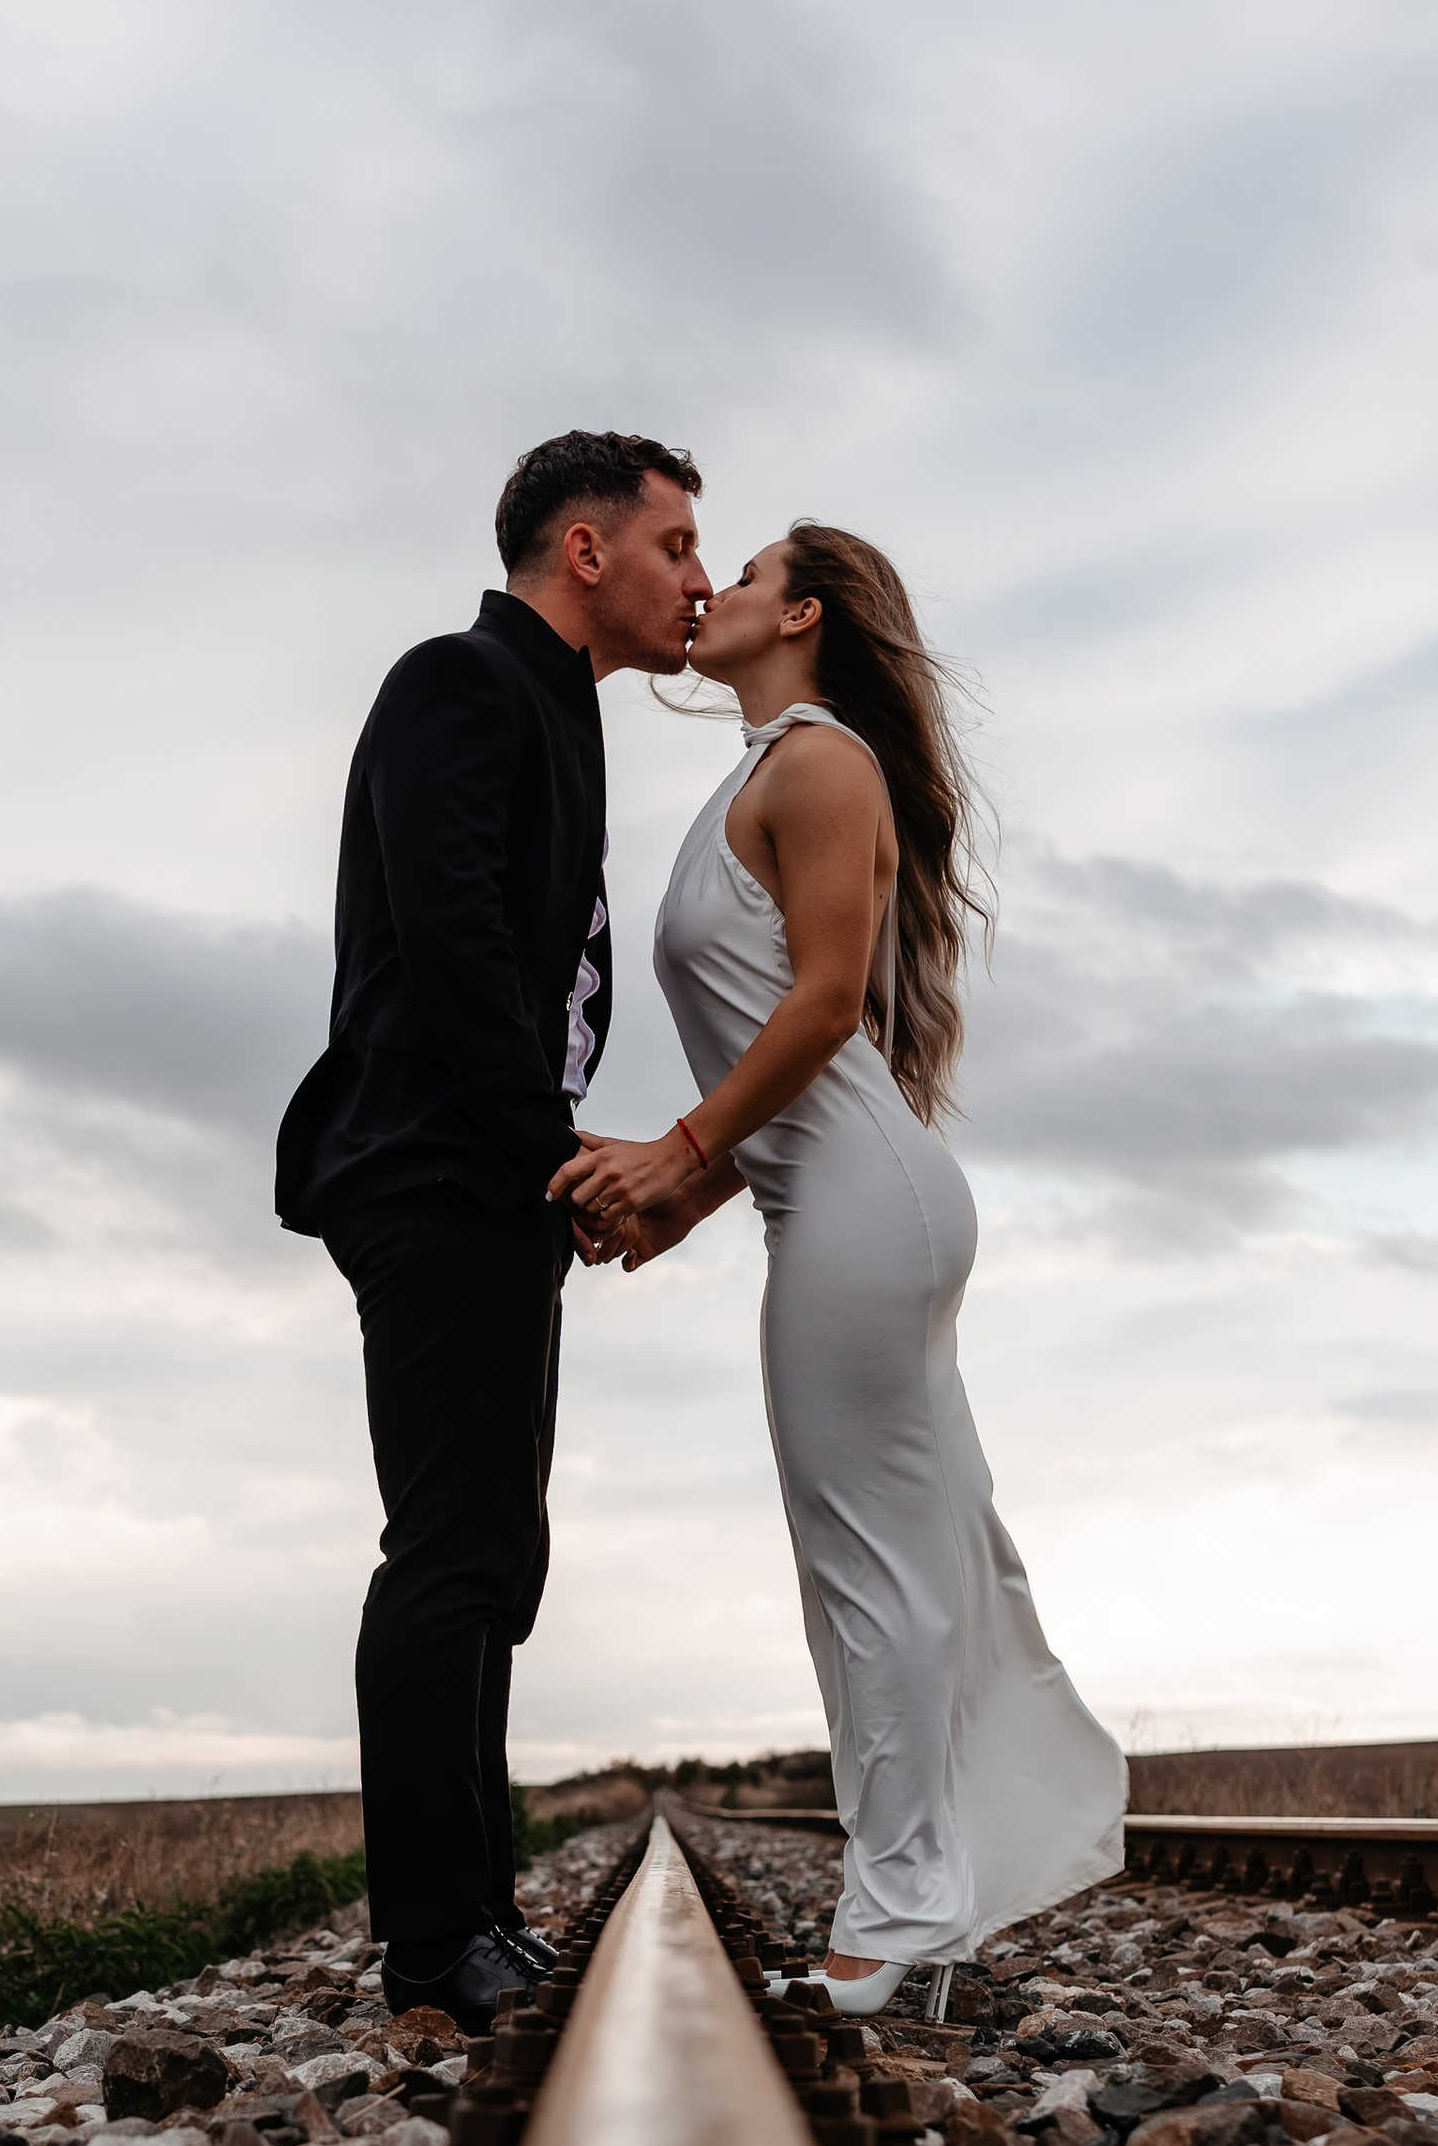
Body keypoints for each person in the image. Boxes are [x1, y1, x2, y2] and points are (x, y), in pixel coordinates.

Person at [554, 521, 1123, 2013]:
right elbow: (788, 1041)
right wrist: (692, 1195)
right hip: (840, 1196)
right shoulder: (766, 772)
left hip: (860, 1202)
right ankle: (926, 1895)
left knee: (870, 1568)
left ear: (799, 612)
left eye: (736, 573)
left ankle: (897, 1914)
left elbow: (818, 1013)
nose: (709, 591)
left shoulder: (818, 762)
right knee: (901, 1558)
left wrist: (680, 1155)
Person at [278, 430, 710, 2033]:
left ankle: (478, 1914)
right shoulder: (457, 680)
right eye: (675, 545)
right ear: (584, 553)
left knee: (495, 1555)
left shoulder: (555, 709)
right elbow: (457, 938)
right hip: (438, 1167)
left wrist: (551, 1168)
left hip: (491, 1177)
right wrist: (560, 1157)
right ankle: (429, 1944)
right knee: (450, 1550)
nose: (698, 579)